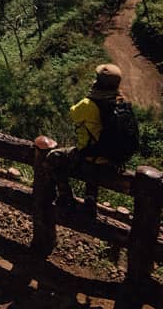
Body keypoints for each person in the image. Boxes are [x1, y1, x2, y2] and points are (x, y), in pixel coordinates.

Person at [49, 63, 138, 213]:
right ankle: (90, 199)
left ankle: (65, 196)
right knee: (94, 155)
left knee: (54, 157)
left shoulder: (88, 104)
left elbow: (73, 114)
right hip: (112, 160)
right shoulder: (121, 103)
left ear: (97, 82)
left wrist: (89, 96)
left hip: (90, 157)